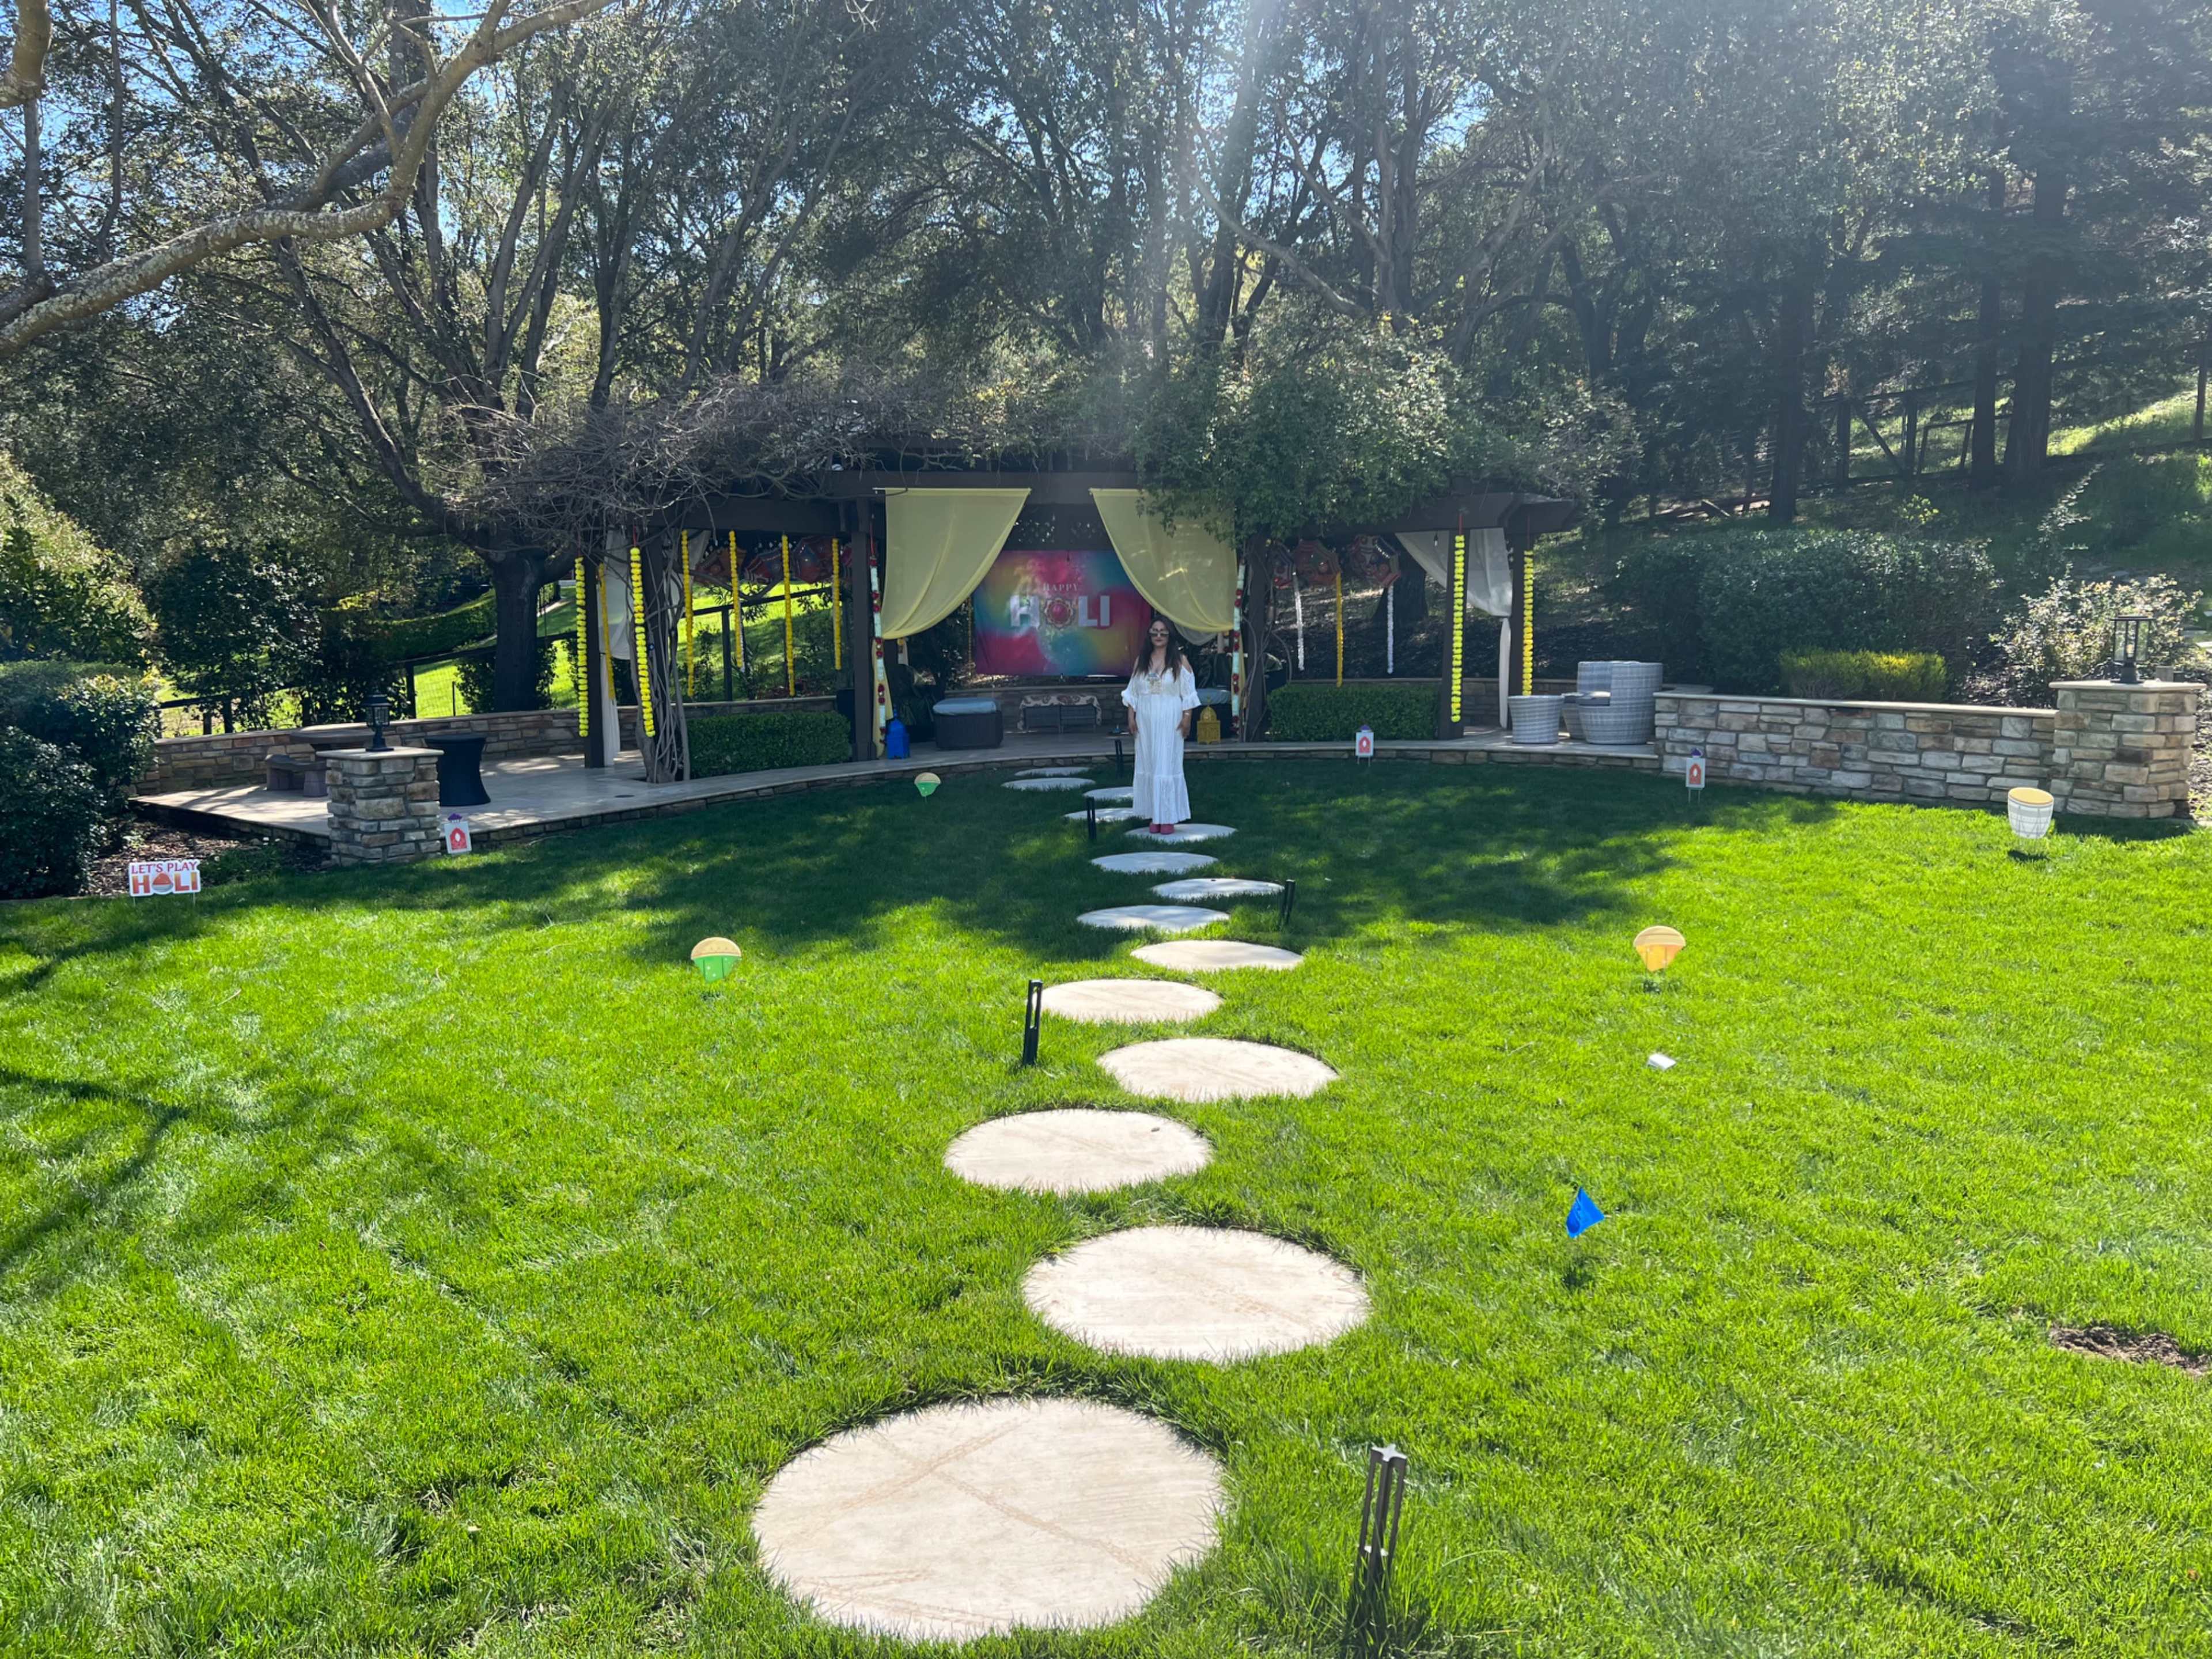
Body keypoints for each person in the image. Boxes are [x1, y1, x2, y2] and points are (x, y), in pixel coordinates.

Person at [1123, 618, 1199, 834]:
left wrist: (1187, 718)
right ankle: (1153, 815)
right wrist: (1131, 717)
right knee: (1149, 763)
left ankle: (1167, 816)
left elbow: (1189, 693)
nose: (1159, 636)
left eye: (1163, 633)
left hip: (1169, 718)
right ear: (1149, 635)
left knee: (1166, 764)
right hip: (1146, 720)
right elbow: (1133, 692)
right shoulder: (1141, 661)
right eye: (1155, 632)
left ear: (1170, 636)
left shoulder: (1180, 661)